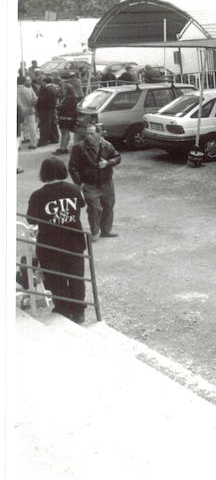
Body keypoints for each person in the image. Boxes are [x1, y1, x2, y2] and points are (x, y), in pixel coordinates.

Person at [26, 157, 88, 323]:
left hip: (50, 244)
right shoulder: (74, 189)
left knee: (55, 278)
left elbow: (31, 220)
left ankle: (63, 308)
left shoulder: (38, 195)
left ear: (43, 173)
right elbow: (81, 206)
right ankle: (79, 310)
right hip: (74, 241)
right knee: (76, 277)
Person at [68, 124, 121, 240]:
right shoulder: (79, 148)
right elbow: (72, 167)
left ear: (99, 134)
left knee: (108, 206)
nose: (89, 136)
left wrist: (108, 163)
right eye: (87, 134)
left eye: (92, 133)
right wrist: (79, 183)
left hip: (106, 182)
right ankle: (95, 232)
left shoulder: (107, 145)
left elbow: (118, 157)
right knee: (95, 208)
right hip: (89, 184)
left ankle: (106, 231)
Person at [35, 77, 59, 146]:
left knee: (45, 125)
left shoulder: (47, 89)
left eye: (42, 81)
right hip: (51, 109)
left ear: (45, 81)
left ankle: (43, 141)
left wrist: (38, 98)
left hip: (45, 109)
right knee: (52, 124)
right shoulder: (53, 88)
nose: (41, 82)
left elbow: (45, 99)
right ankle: (54, 138)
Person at [56, 83, 78, 155]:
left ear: (68, 90)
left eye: (64, 89)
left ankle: (64, 148)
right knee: (63, 133)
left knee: (65, 132)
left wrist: (58, 107)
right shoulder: (67, 97)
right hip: (64, 116)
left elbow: (66, 107)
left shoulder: (71, 98)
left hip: (68, 117)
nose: (63, 90)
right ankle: (62, 147)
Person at [16, 75, 38, 148]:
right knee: (32, 127)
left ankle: (18, 144)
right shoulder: (27, 89)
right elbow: (32, 101)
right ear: (24, 81)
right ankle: (33, 143)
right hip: (29, 110)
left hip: (18, 111)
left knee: (17, 128)